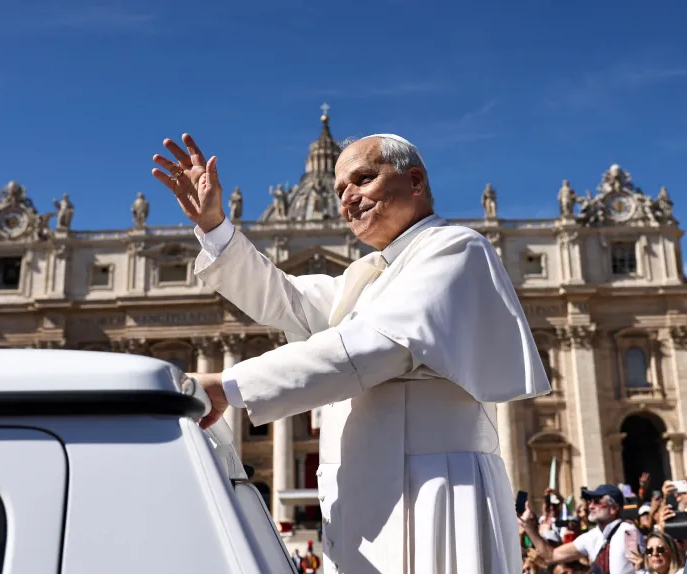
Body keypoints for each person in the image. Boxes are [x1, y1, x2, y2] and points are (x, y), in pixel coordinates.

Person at [151, 132, 551, 573]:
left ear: (414, 180)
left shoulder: (454, 247)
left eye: (363, 179)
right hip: (368, 497)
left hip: (434, 487)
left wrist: (229, 385)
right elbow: (287, 302)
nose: (348, 198)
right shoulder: (369, 275)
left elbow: (374, 346)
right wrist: (215, 228)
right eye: (341, 189)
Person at [520, 484, 643, 574]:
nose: (591, 506)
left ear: (613, 508)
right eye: (590, 502)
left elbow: (640, 569)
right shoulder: (591, 537)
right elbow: (551, 556)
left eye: (597, 501)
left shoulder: (628, 532)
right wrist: (527, 526)